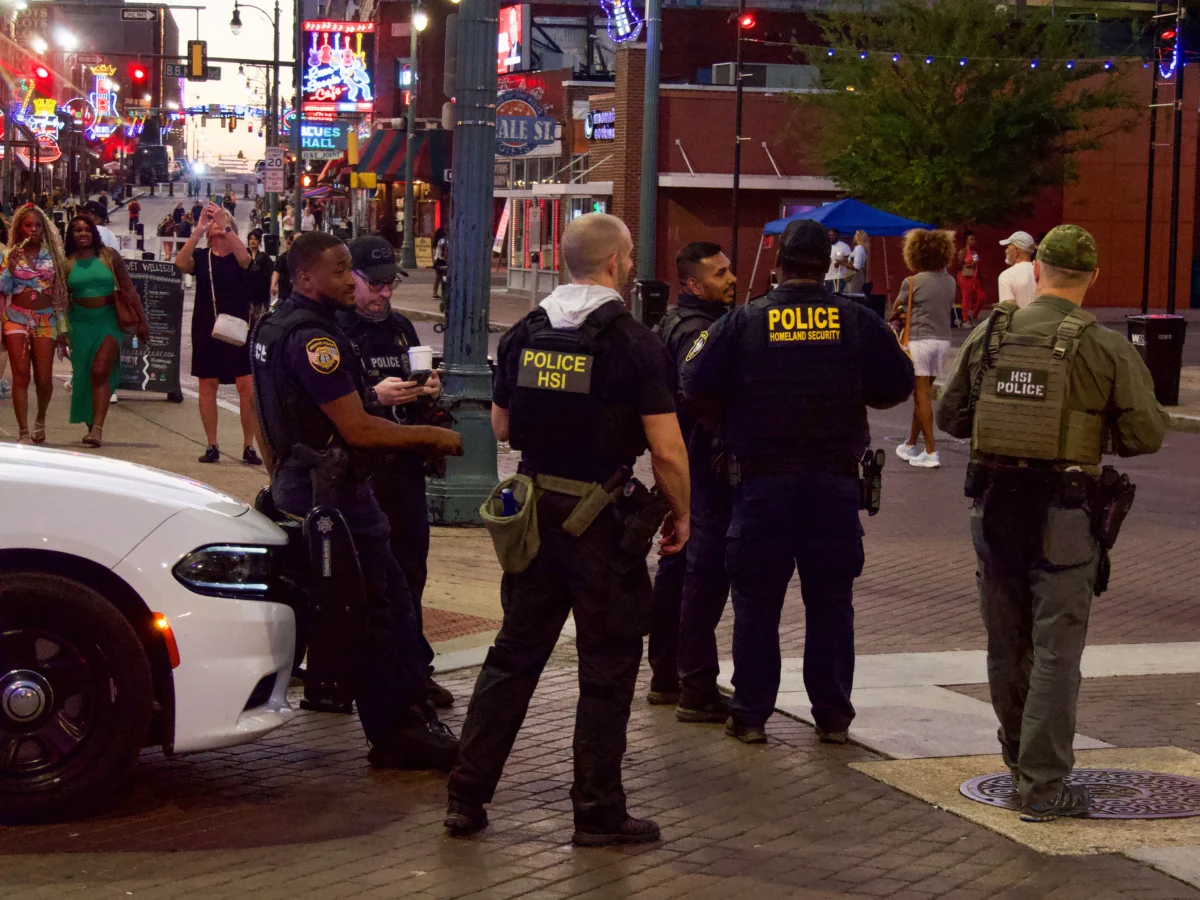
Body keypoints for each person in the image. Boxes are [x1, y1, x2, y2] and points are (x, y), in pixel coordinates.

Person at [446, 213, 690, 846]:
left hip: (532, 517)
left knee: (512, 656)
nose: (633, 266)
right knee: (606, 667)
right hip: (602, 522)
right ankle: (597, 811)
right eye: (630, 257)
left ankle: (466, 798)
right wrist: (682, 512)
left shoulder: (524, 334)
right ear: (614, 264)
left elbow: (501, 428)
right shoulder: (636, 343)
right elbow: (665, 449)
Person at [936, 225, 1167, 822]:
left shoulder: (991, 330)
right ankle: (1043, 786)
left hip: (994, 510)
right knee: (1056, 653)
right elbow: (1146, 433)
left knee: (1005, 645)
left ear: (1037, 271)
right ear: (1091, 277)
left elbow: (950, 415)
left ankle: (1018, 764)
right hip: (1065, 515)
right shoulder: (1105, 346)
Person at [681, 219, 914, 746]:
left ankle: (751, 714)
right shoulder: (855, 320)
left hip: (762, 485)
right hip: (834, 484)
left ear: (780, 264)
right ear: (826, 268)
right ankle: (832, 715)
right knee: (831, 601)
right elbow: (897, 383)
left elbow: (693, 382)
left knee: (757, 603)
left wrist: (731, 415)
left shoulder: (744, 322)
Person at [251, 231, 465, 770]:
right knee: (383, 606)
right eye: (340, 270)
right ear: (305, 277)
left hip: (307, 486)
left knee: (350, 604)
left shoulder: (275, 326)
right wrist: (433, 438)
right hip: (338, 494)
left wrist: (281, 473)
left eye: (352, 270)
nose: (350, 280)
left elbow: (263, 410)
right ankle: (399, 732)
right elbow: (358, 429)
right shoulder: (313, 339)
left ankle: (373, 708)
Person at [336, 235, 453, 709]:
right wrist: (373, 396)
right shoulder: (334, 330)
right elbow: (325, 406)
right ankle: (354, 674)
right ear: (353, 279)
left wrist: (429, 392)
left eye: (391, 284)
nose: (385, 293)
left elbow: (421, 391)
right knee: (361, 578)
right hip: (359, 471)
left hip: (402, 467)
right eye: (376, 284)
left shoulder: (402, 328)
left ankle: (412, 669)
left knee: (409, 571)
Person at [646, 242, 737, 724]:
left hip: (682, 462)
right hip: (700, 465)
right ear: (692, 283)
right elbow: (693, 390)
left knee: (678, 569)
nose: (732, 279)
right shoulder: (701, 331)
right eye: (720, 274)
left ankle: (667, 675)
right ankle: (693, 683)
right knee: (700, 574)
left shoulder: (674, 323)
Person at [175, 204, 262, 465]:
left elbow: (246, 260)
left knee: (246, 386)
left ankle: (249, 445)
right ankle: (212, 444)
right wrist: (198, 230)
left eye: (221, 224)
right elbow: (181, 263)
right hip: (207, 327)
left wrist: (226, 225)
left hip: (238, 328)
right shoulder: (202, 257)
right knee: (207, 384)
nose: (216, 227)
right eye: (213, 225)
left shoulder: (239, 254)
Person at [63, 215, 148, 447]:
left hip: (108, 320)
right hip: (79, 323)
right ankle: (91, 426)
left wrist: (142, 320)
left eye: (87, 229)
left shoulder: (109, 256)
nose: (83, 234)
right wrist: (60, 330)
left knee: (100, 371)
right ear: (71, 235)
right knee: (84, 374)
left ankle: (98, 428)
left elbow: (129, 288)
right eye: (77, 230)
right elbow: (60, 298)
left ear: (94, 233)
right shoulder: (66, 261)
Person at [2, 204, 70, 444]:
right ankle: (22, 431)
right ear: (20, 228)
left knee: (44, 377)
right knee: (20, 376)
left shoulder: (52, 256)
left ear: (44, 228)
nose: (32, 229)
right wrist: (10, 266)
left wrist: (63, 329)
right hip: (16, 318)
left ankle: (40, 419)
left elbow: (60, 294)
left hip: (46, 319)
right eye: (28, 225)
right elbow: (4, 289)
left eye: (37, 225)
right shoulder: (11, 254)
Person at [891, 229, 957, 469]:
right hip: (942, 340)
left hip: (919, 340)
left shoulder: (912, 281)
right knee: (923, 395)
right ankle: (910, 444)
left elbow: (897, 306)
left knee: (920, 396)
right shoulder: (950, 281)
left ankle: (931, 451)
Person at [998, 231, 1037, 309]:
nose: (1005, 251)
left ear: (1016, 250)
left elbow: (1008, 310)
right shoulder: (1042, 273)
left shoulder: (1007, 275)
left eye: (1008, 247)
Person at [957, 230, 987, 326]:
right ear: (966, 240)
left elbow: (976, 264)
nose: (973, 241)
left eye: (974, 239)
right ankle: (965, 320)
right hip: (964, 276)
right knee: (966, 297)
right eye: (971, 239)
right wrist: (970, 264)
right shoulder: (963, 251)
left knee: (982, 297)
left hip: (974, 276)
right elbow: (958, 265)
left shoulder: (974, 252)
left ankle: (974, 315)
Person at [245, 229, 273, 325]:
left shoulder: (264, 257)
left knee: (257, 315)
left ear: (259, 241)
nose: (252, 241)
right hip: (247, 290)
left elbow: (271, 271)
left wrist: (273, 285)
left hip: (260, 291)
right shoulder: (244, 254)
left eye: (255, 239)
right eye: (251, 239)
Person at [271, 232, 298, 305]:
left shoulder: (306, 258)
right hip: (285, 293)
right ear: (291, 243)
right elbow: (276, 271)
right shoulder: (283, 257)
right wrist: (273, 285)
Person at [825, 229, 852, 294]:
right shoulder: (825, 245)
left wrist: (840, 262)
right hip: (826, 277)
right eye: (829, 235)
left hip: (838, 277)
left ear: (838, 236)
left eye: (833, 235)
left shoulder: (843, 246)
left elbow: (850, 259)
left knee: (836, 297)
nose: (831, 237)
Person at [845, 230, 870, 296]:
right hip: (853, 275)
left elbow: (856, 267)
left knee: (853, 295)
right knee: (848, 293)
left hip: (856, 275)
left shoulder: (859, 249)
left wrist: (842, 263)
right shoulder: (858, 249)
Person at [432, 227, 448, 302]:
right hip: (443, 260)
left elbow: (434, 251)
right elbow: (443, 250)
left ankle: (434, 293)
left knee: (437, 278)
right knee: (444, 277)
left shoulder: (436, 241)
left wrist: (434, 260)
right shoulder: (443, 241)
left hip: (437, 260)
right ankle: (444, 293)